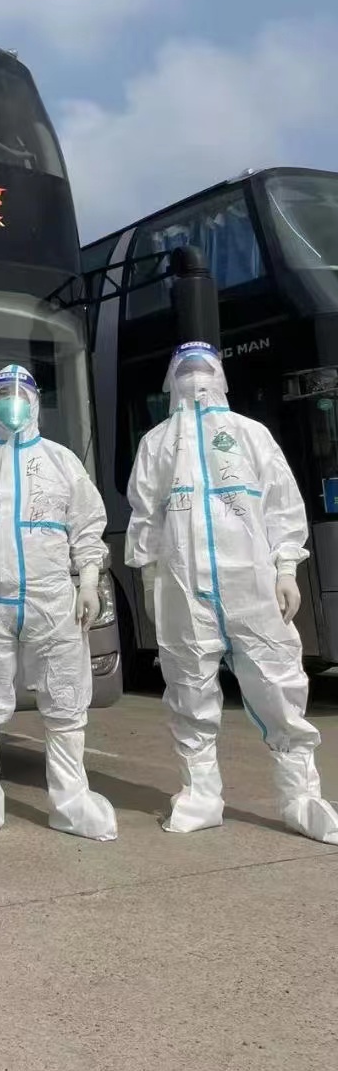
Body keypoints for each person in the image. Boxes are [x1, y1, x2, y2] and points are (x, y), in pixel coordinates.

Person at [126, 341, 338, 843]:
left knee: (278, 685)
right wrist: (151, 579)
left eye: (204, 369)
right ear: (172, 381)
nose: (195, 379)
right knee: (188, 689)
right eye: (186, 370)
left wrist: (285, 567)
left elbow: (282, 504)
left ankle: (302, 798)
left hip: (252, 584)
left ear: (220, 377)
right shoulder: (156, 444)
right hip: (183, 587)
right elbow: (145, 516)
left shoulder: (251, 435)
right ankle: (200, 794)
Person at [0, 364, 117, 842]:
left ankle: (71, 802)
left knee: (65, 702)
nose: (11, 402)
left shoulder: (61, 461)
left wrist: (89, 580)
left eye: (20, 395)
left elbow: (87, 524)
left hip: (52, 599)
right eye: (2, 395)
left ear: (35, 403)